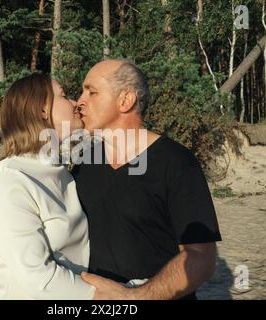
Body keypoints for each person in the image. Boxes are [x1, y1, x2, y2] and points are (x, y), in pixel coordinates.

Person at [72, 59, 222, 300]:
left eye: (92, 92)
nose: (80, 100)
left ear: (125, 100)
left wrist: (135, 297)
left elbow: (201, 256)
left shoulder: (177, 163)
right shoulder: (84, 162)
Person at [0, 74, 95, 299]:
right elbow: (38, 279)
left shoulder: (65, 174)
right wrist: (124, 297)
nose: (74, 103)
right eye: (64, 95)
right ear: (41, 111)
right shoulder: (7, 180)